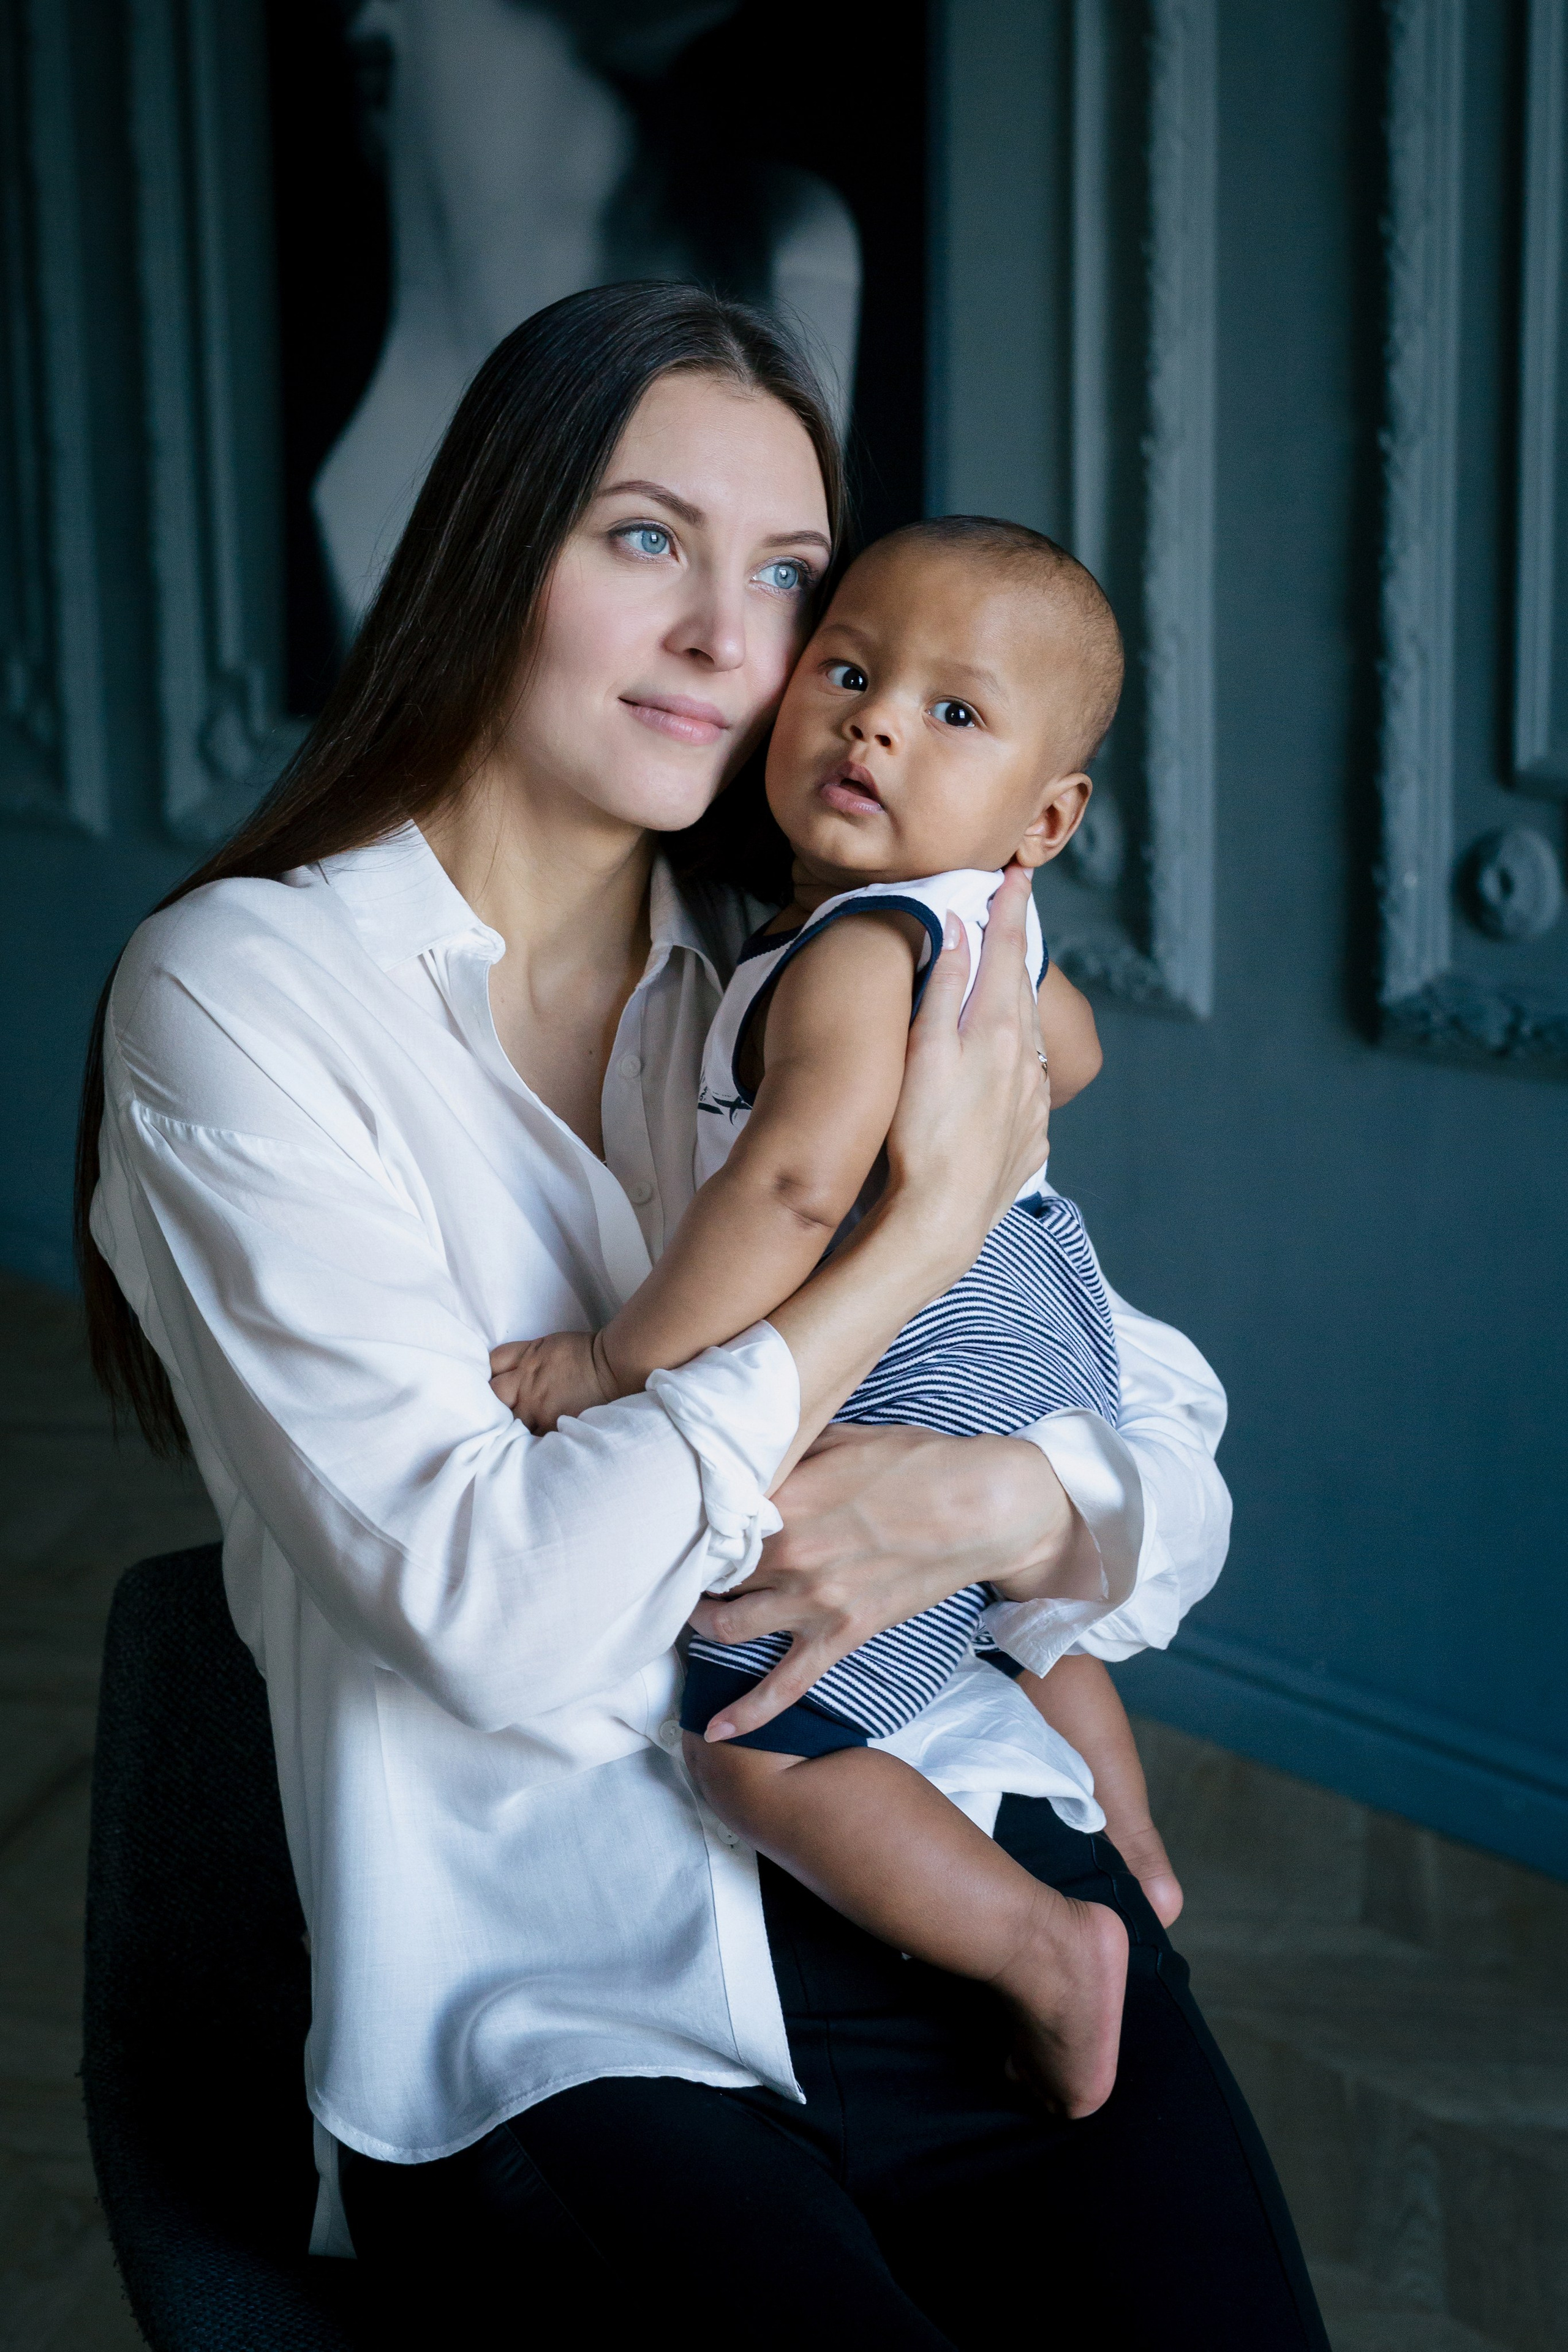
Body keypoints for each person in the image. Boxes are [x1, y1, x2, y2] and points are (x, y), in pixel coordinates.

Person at [77, 284, 1327, 2346]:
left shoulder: (809, 963)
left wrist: (998, 1509)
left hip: (953, 1848)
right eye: (643, 538)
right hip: (557, 1993)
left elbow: (1162, 1439)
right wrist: (901, 1261)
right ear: (495, 549)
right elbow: (496, 1612)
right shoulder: (240, 996)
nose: (727, 642)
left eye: (787, 576)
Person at [491, 515, 1165, 2119]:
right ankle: (1126, 1828)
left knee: (746, 1735)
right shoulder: (979, 927)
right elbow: (1068, 1056)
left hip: (933, 1339)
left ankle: (1045, 1947)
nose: (873, 720)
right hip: (1046, 1316)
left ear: (1048, 815)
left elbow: (793, 1195)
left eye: (953, 713)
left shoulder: (857, 947)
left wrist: (612, 1359)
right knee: (1007, 1620)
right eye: (852, 673)